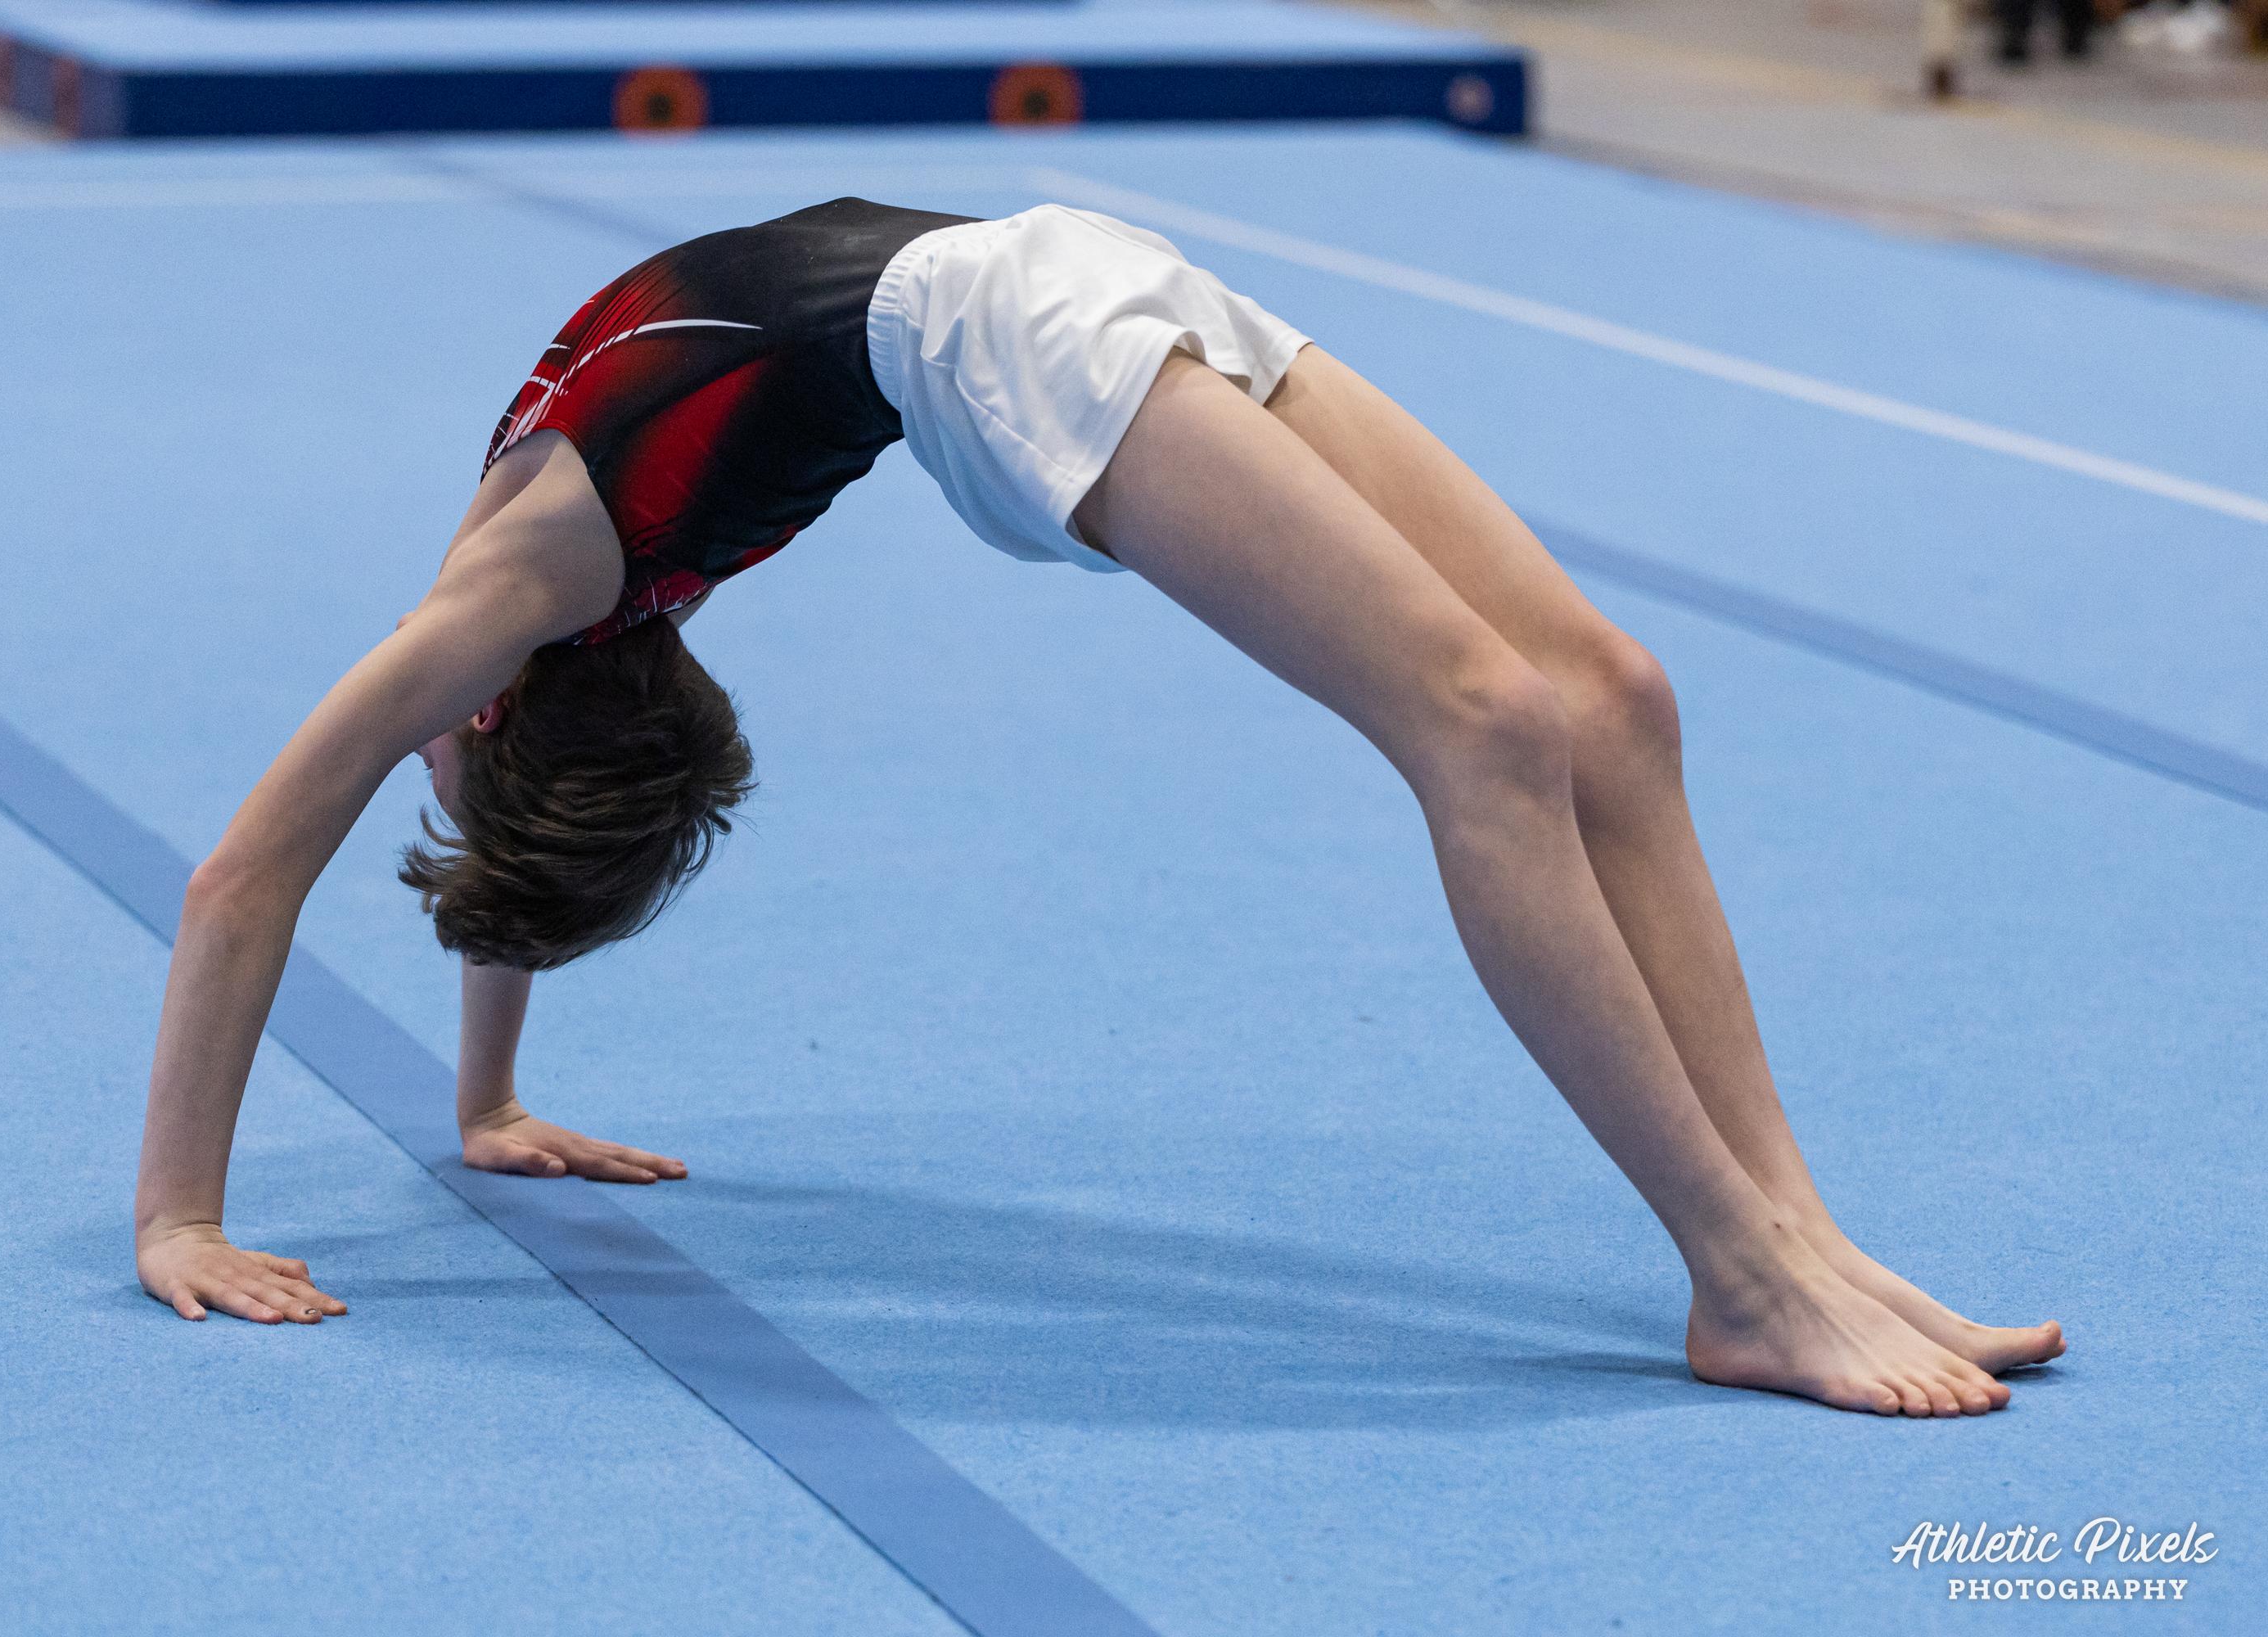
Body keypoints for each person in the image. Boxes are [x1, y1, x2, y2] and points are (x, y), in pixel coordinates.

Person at [133, 198, 2065, 1417]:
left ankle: (1797, 1233)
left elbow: (241, 878)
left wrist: (181, 1213)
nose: (420, 755)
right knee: (1486, 724)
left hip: (1041, 299)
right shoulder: (546, 611)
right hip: (1010, 318)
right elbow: (487, 845)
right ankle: (1740, 1277)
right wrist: (482, 1101)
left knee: (1608, 701)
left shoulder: (510, 602)